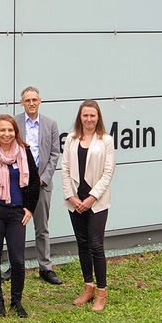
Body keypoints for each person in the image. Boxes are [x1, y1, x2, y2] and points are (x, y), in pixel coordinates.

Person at [0, 115, 40, 318]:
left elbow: (34, 181)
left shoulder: (24, 151)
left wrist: (29, 208)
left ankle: (16, 302)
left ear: (15, 132)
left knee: (18, 261)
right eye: (2, 130)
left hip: (17, 213)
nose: (6, 134)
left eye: (10, 130)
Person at [1, 87, 63, 285]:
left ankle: (45, 268)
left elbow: (55, 154)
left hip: (42, 183)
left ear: (40, 101)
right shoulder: (14, 123)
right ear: (21, 103)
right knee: (15, 227)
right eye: (27, 100)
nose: (31, 103)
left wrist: (42, 178)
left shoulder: (51, 124)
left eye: (34, 99)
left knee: (41, 227)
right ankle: (15, 265)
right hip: (18, 183)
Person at [61, 99, 115, 312]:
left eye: (93, 115)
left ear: (98, 117)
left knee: (96, 245)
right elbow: (65, 169)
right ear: (80, 117)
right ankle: (88, 287)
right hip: (75, 201)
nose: (89, 119)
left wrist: (92, 197)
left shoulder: (106, 140)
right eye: (85, 115)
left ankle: (101, 292)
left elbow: (108, 172)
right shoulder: (72, 139)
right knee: (82, 244)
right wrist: (71, 196)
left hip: (96, 201)